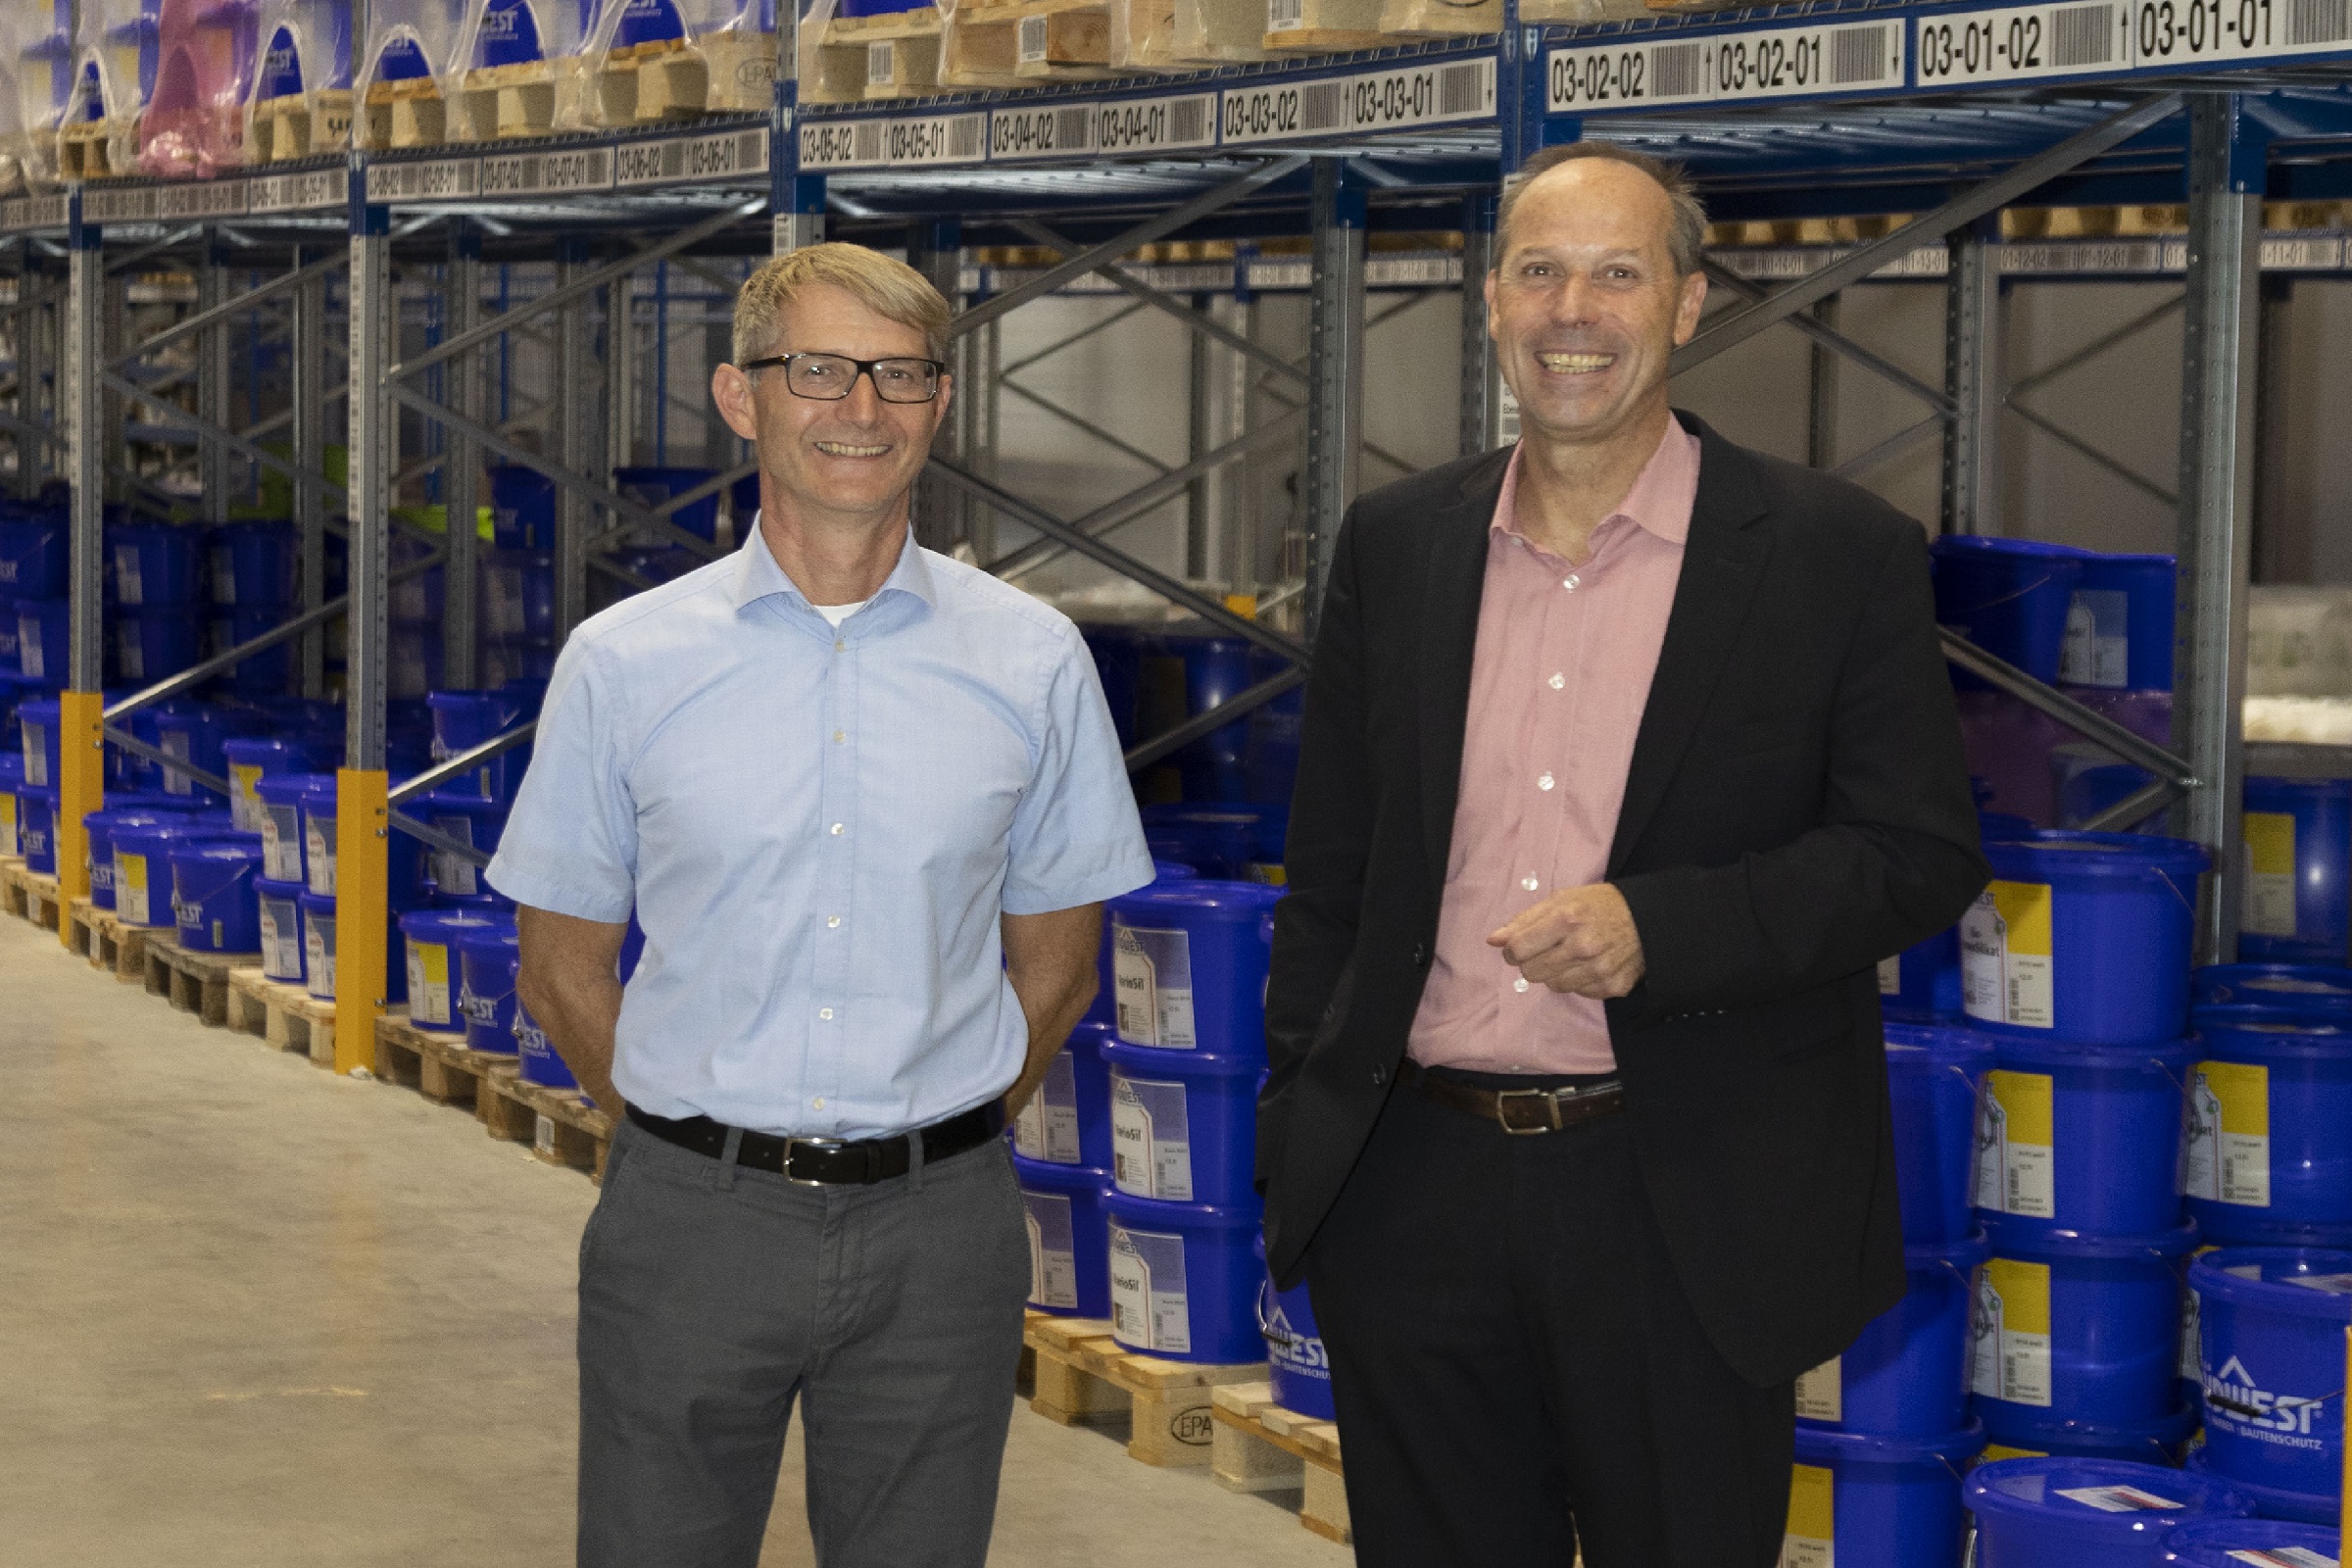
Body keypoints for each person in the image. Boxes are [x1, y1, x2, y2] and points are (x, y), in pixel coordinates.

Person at [1255, 143, 1990, 1567]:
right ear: (1489, 302)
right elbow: (1330, 873)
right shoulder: (1400, 544)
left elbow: (1917, 851)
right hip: (1415, 1184)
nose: (1571, 308)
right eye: (1539, 271)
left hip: (1681, 1192)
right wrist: (1307, 1137)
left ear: (1687, 304)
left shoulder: (1831, 552)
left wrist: (1671, 929)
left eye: (1614, 272)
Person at [488, 242, 1154, 1568]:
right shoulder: (625, 666)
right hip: (690, 1223)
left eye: (901, 375)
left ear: (940, 403)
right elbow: (562, 969)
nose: (862, 408)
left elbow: (1061, 965)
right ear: (742, 398)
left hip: (940, 1233)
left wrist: (940, 1123)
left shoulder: (1030, 663)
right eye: (820, 370)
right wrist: (695, 1145)